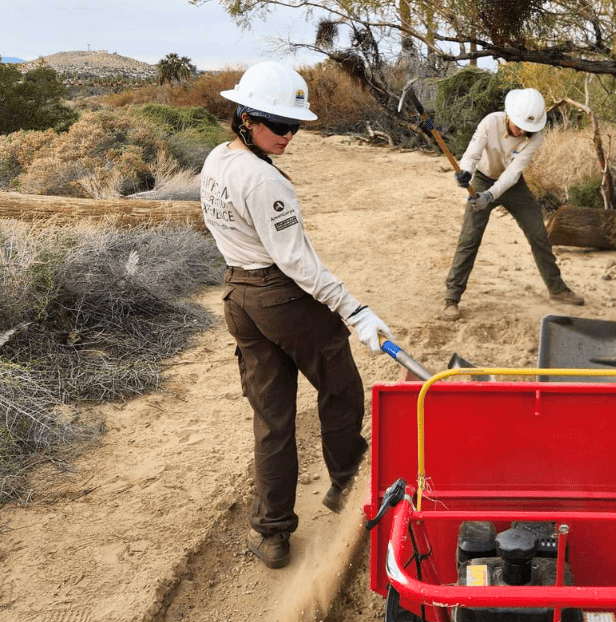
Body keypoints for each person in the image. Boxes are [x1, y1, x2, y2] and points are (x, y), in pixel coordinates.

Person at [200, 61, 394, 569]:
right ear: (244, 117)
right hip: (279, 295)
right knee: (340, 387)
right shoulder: (266, 183)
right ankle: (349, 483)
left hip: (239, 295)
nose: (289, 135)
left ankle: (272, 533)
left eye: (295, 126)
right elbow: (297, 262)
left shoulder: (217, 161)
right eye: (279, 125)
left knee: (272, 418)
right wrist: (355, 310)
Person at [439, 87, 585, 321]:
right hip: (483, 179)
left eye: (527, 128)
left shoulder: (535, 138)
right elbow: (472, 155)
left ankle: (557, 289)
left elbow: (512, 174)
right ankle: (451, 298)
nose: (522, 131)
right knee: (469, 238)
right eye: (519, 125)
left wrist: (490, 197)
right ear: (508, 115)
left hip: (512, 185)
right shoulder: (490, 122)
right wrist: (465, 173)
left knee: (538, 233)